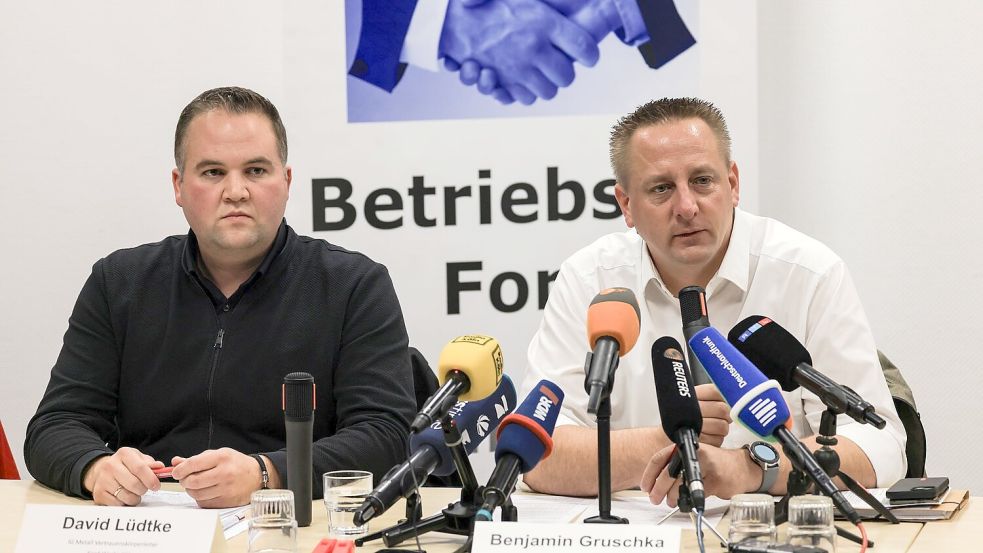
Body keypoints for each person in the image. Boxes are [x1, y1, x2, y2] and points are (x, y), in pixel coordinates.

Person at [24, 86, 417, 508]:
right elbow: (56, 425)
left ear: (286, 182)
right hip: (150, 526)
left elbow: (386, 436)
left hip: (291, 524)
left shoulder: (354, 285)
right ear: (178, 186)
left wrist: (266, 473)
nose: (236, 191)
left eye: (256, 171)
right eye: (213, 172)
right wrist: (95, 468)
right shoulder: (119, 282)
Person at [519, 97, 907, 505]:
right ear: (627, 205)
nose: (686, 207)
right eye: (661, 188)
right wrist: (668, 440)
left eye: (702, 180)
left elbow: (879, 447)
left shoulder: (807, 273)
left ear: (733, 184)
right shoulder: (590, 281)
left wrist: (747, 467)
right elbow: (536, 453)